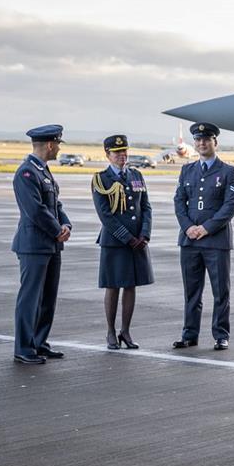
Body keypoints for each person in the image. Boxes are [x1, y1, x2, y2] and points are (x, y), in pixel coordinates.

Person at [172, 122, 234, 350]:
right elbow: (179, 201)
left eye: (206, 140)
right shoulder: (187, 170)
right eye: (198, 140)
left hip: (216, 241)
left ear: (215, 142)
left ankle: (221, 334)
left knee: (221, 292)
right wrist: (188, 227)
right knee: (192, 291)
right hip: (190, 241)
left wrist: (207, 228)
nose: (202, 143)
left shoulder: (228, 172)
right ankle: (189, 334)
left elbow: (230, 205)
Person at [11, 124, 72, 365]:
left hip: (50, 245)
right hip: (34, 245)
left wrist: (66, 224)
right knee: (30, 298)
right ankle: (24, 348)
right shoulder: (27, 173)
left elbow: (56, 205)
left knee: (47, 298)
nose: (58, 149)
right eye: (57, 144)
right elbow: (35, 210)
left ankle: (39, 342)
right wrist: (57, 231)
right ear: (49, 145)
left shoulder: (43, 171)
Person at [91, 134, 154, 349]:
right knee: (113, 286)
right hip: (116, 241)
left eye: (124, 151)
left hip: (138, 240)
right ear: (107, 154)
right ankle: (110, 332)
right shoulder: (101, 179)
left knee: (130, 285)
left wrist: (144, 234)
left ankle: (125, 331)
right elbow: (105, 215)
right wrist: (128, 238)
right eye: (117, 152)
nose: (122, 155)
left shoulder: (136, 175)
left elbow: (145, 207)